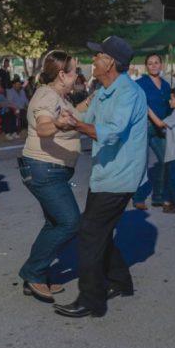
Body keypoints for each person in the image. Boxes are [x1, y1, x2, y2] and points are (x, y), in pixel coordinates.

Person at [53, 35, 148, 319]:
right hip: (104, 173)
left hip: (121, 175)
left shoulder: (128, 93)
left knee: (90, 233)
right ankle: (120, 281)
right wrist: (63, 119)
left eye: (98, 55)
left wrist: (77, 125)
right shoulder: (104, 91)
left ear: (110, 62)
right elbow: (85, 119)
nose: (93, 60)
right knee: (99, 231)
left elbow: (111, 133)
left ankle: (91, 299)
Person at [18, 51, 82, 303]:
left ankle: (36, 274)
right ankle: (33, 272)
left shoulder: (58, 96)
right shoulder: (47, 95)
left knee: (55, 224)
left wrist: (93, 101)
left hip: (51, 170)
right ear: (62, 75)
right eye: (75, 71)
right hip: (44, 169)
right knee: (70, 222)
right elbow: (44, 125)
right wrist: (57, 125)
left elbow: (74, 113)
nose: (78, 75)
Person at [133, 53, 171, 210]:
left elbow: (169, 106)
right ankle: (138, 197)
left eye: (156, 62)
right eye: (150, 63)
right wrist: (156, 121)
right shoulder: (140, 83)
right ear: (146, 66)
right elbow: (143, 105)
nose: (154, 65)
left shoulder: (166, 85)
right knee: (142, 163)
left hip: (161, 127)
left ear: (161, 65)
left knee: (165, 160)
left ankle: (158, 197)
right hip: (144, 127)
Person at [148, 87, 175, 214]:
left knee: (172, 178)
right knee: (170, 177)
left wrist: (148, 110)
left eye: (172, 99)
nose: (169, 101)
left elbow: (160, 124)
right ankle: (169, 202)